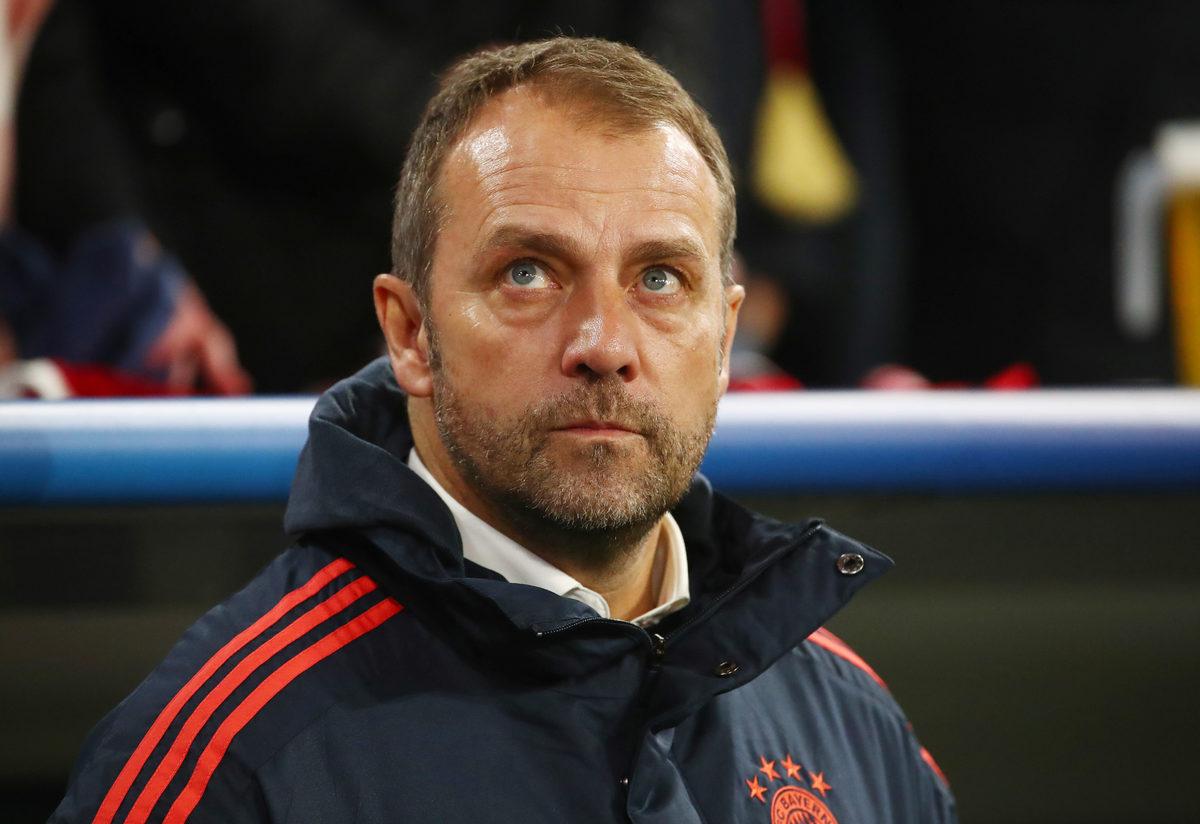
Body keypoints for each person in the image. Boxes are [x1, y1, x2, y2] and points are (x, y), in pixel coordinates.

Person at [51, 38, 955, 823]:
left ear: (724, 340)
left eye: (660, 279)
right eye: (529, 273)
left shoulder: (852, 719)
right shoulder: (220, 761)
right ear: (410, 334)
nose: (604, 345)